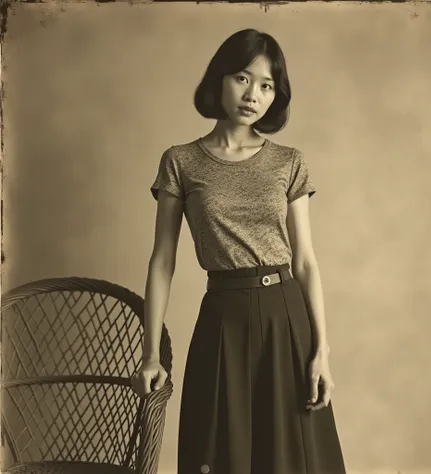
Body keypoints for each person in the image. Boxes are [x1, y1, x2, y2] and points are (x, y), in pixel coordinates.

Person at [131, 28, 346, 474]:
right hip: (223, 317)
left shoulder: (289, 161)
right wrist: (151, 353)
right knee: (221, 451)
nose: (254, 94)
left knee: (292, 455)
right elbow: (162, 261)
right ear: (219, 80)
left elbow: (305, 260)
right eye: (243, 79)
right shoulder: (180, 161)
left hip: (286, 315)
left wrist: (322, 350)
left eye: (267, 85)